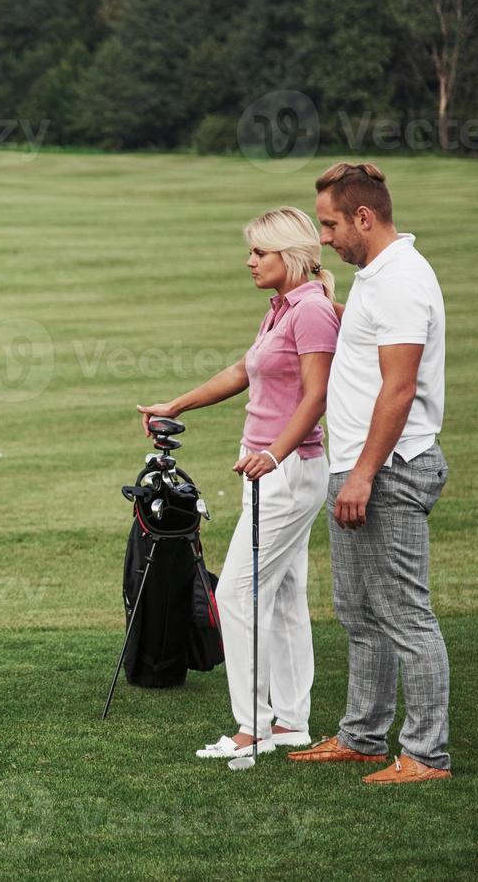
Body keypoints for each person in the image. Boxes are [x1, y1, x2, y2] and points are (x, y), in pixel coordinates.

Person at [138, 207, 339, 761]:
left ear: (291, 256)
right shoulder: (281, 309)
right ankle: (293, 722)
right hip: (277, 468)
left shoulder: (312, 312)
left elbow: (315, 397)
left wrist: (273, 455)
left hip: (287, 470)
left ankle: (254, 728)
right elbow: (243, 371)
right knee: (284, 594)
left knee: (238, 592)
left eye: (260, 253)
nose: (250, 262)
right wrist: (176, 404)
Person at [289, 162, 452, 784]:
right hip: (359, 466)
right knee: (359, 612)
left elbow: (400, 388)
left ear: (364, 217)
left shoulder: (402, 280)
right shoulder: (378, 278)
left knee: (406, 615)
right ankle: (362, 737)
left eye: (330, 225)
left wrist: (362, 475)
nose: (325, 238)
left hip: (388, 469)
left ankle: (427, 755)